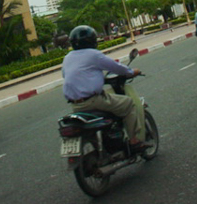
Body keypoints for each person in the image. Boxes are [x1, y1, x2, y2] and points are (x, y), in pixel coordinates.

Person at [62, 25, 149, 153]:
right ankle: (134, 141)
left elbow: (68, 75)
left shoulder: (68, 57)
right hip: (93, 101)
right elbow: (116, 67)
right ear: (91, 41)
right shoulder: (93, 55)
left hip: (76, 106)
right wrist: (132, 71)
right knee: (128, 103)